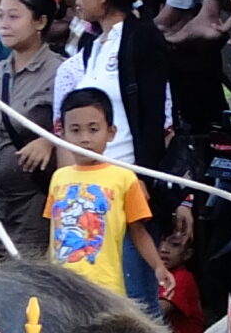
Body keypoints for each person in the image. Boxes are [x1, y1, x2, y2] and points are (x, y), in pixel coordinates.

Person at [46, 89, 165, 312]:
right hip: (62, 289)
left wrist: (159, 267)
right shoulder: (58, 178)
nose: (84, 138)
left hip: (106, 290)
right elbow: (54, 234)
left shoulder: (124, 178)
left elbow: (138, 232)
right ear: (62, 133)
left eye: (93, 129)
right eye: (75, 130)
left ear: (110, 132)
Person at [0, 0, 66, 255]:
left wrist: (49, 141)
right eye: (0, 15)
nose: (3, 24)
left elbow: (77, 130)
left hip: (35, 201)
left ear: (40, 22)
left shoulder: (60, 72)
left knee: (31, 277)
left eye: (14, 17)